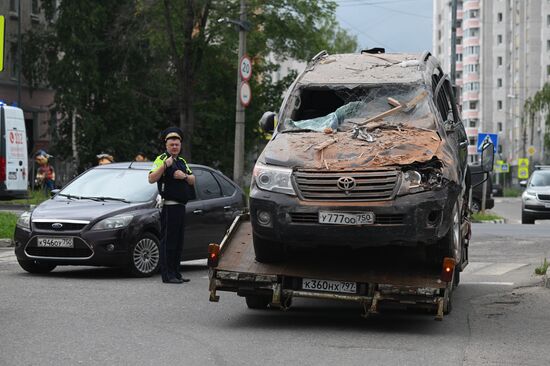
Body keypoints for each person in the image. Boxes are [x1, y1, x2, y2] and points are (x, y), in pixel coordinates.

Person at [148, 127, 195, 284]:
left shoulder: (181, 161)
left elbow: (193, 179)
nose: (174, 147)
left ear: (180, 145)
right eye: (171, 144)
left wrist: (185, 176)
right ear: (166, 145)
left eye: (177, 144)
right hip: (169, 206)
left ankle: (176, 273)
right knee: (169, 242)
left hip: (180, 206)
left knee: (179, 242)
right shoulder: (161, 159)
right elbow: (151, 178)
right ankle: (168, 275)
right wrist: (165, 166)